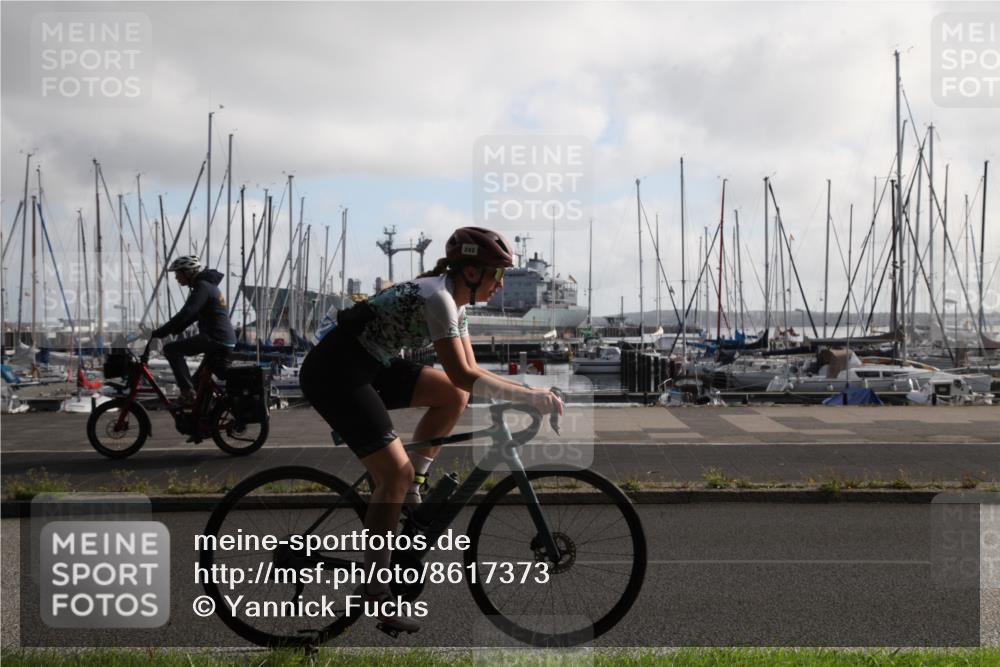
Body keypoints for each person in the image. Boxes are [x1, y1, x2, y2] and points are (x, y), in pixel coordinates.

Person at [298, 226, 563, 633]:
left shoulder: (457, 304)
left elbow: (467, 378)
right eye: (497, 274)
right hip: (335, 371)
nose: (500, 283)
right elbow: (461, 371)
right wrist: (530, 397)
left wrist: (524, 393)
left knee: (453, 397)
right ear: (472, 273)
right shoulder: (439, 299)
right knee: (393, 475)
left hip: (371, 363)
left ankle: (414, 485)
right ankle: (377, 592)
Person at [150, 255, 236, 405]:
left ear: (188, 272)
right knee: (198, 382)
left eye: (177, 273)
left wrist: (162, 331)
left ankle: (187, 393)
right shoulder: (209, 286)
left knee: (171, 349)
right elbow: (195, 315)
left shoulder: (202, 287)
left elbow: (188, 311)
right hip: (223, 339)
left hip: (214, 338)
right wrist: (177, 328)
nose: (176, 277)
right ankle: (206, 418)